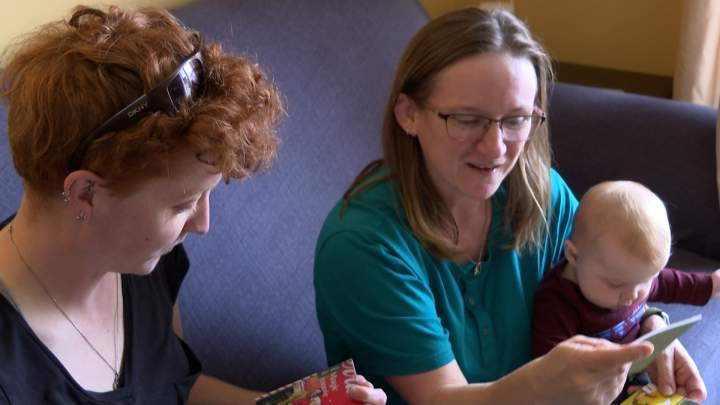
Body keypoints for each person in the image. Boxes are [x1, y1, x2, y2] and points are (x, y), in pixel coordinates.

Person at [313, 7, 706, 405]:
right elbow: (442, 399)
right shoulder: (363, 246)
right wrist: (548, 388)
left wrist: (649, 329)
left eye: (516, 119)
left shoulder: (541, 194)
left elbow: (600, 278)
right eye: (468, 119)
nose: (495, 148)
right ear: (409, 114)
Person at [0, 5, 386, 405]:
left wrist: (295, 402)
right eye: (182, 204)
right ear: (86, 194)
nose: (202, 224)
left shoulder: (142, 259)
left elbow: (174, 388)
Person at [532, 180, 720, 399]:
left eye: (647, 280)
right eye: (616, 284)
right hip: (593, 391)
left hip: (637, 370)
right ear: (574, 256)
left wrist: (711, 286)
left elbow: (670, 283)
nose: (634, 295)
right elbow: (549, 373)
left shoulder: (631, 279)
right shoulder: (557, 304)